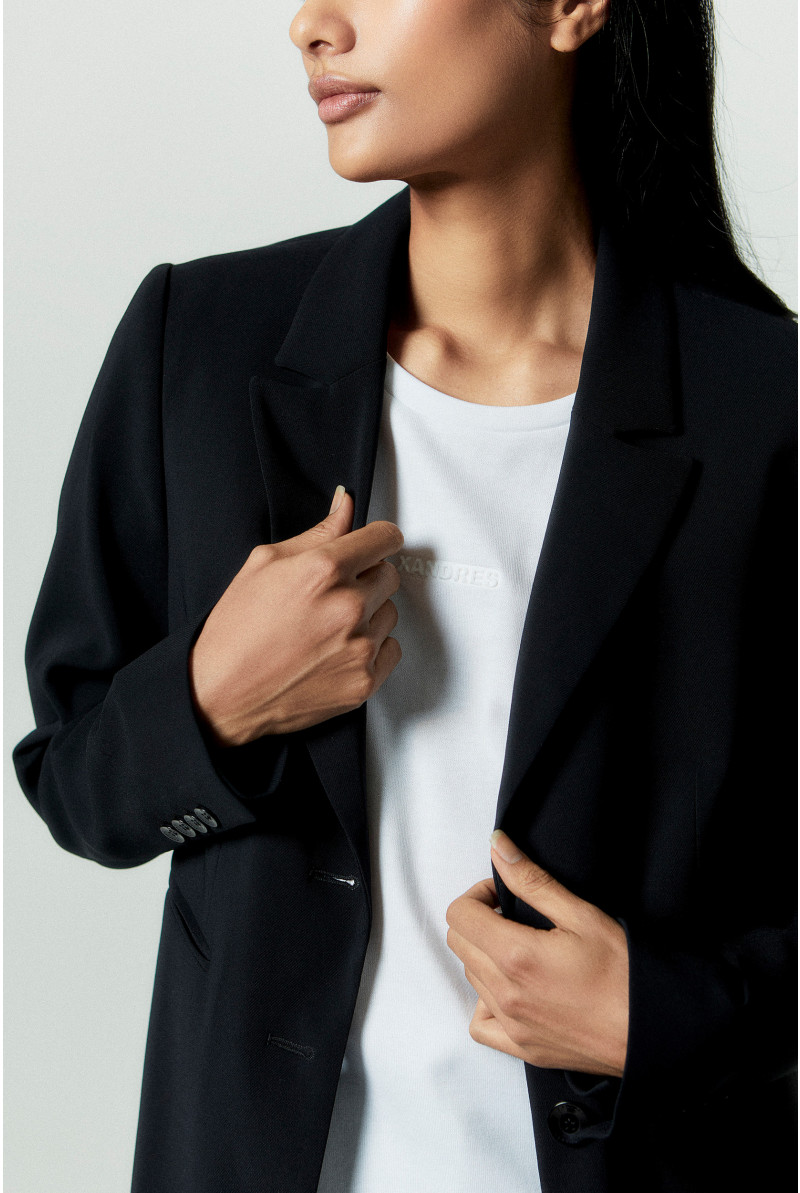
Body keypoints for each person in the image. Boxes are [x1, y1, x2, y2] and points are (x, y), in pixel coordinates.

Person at [12, 0, 796, 1189]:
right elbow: (76, 785)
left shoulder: (765, 408)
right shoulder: (200, 342)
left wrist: (668, 1012)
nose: (311, 25)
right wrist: (209, 703)